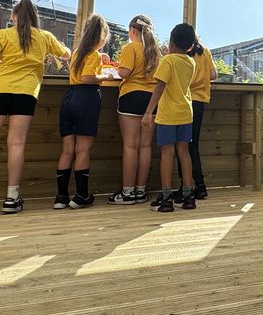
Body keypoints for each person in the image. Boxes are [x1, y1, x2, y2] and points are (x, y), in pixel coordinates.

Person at [0, 0, 69, 216]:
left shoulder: (3, 34)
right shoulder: (45, 37)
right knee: (17, 144)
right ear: (36, 17)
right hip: (26, 93)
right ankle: (12, 198)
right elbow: (67, 55)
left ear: (14, 16)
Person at [55, 14, 114, 210]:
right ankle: (81, 195)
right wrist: (105, 74)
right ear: (101, 37)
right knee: (83, 149)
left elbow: (81, 73)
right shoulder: (94, 55)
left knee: (67, 149)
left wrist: (101, 60)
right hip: (86, 98)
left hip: (69, 97)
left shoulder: (77, 52)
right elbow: (89, 77)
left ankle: (61, 197)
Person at [142, 23, 198, 212]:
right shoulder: (191, 62)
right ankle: (189, 196)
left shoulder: (168, 60)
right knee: (184, 152)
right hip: (186, 113)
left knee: (167, 153)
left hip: (168, 115)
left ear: (171, 43)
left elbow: (160, 86)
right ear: (190, 46)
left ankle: (166, 199)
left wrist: (149, 111)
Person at [107, 14, 160, 205]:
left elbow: (124, 73)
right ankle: (140, 190)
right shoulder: (156, 52)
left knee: (130, 145)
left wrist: (113, 70)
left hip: (131, 97)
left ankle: (127, 193)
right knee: (145, 146)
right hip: (151, 101)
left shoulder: (131, 48)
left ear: (132, 31)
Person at [188, 33, 215, 200]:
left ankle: (188, 186)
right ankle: (200, 186)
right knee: (193, 145)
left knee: (183, 145)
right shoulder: (205, 51)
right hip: (200, 102)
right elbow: (213, 75)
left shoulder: (182, 53)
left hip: (185, 100)